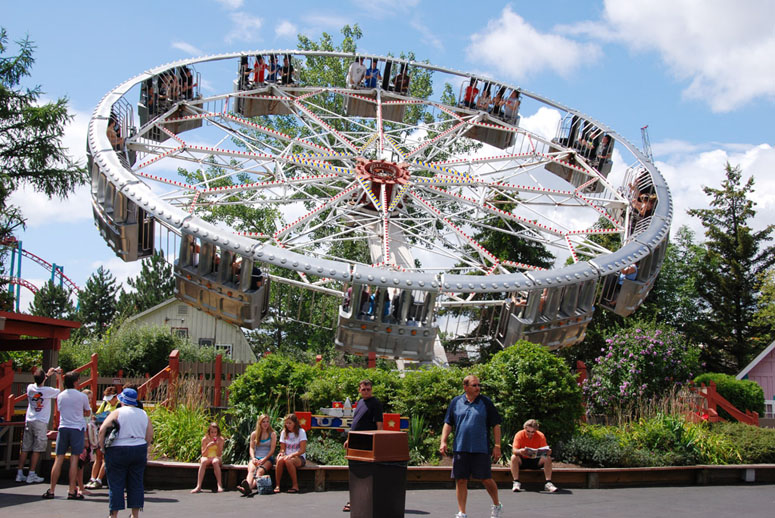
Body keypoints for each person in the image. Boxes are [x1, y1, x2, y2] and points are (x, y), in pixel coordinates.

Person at [440, 375, 502, 518]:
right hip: (461, 448)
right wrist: (443, 441)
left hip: (481, 448)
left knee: (486, 478)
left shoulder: (486, 402)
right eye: (474, 385)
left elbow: (496, 425)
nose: (477, 388)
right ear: (465, 387)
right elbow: (448, 423)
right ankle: (462, 512)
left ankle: (497, 504)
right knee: (461, 480)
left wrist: (497, 445)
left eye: (478, 385)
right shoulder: (456, 402)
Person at [99, 387, 153, 518]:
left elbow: (102, 429)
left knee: (116, 484)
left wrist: (102, 447)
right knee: (136, 483)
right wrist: (144, 446)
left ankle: (114, 514)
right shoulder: (143, 414)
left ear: (122, 400)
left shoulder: (118, 412)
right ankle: (135, 515)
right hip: (138, 448)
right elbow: (150, 435)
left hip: (118, 448)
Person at [42, 371, 91, 499]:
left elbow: (59, 410)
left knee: (59, 459)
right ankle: (71, 490)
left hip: (63, 427)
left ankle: (52, 490)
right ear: (76, 381)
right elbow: (87, 412)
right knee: (74, 459)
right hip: (77, 428)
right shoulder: (82, 396)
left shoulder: (61, 395)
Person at [342, 379, 384, 512]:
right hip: (355, 441)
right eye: (363, 389)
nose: (366, 391)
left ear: (371, 390)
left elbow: (379, 424)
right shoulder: (360, 402)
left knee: (365, 472)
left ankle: (362, 500)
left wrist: (378, 441)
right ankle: (355, 499)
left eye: (368, 389)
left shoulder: (375, 403)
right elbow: (356, 422)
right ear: (359, 390)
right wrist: (349, 439)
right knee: (354, 471)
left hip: (367, 442)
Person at [16, 366, 62, 484]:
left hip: (29, 419)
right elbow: (60, 392)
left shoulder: (30, 388)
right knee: (37, 448)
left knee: (25, 448)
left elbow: (38, 382)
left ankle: (19, 473)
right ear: (43, 379)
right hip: (40, 422)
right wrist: (59, 377)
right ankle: (31, 473)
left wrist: (47, 374)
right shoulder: (47, 390)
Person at [510, 419, 557, 493]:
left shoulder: (540, 435)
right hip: (523, 461)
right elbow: (514, 450)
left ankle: (548, 483)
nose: (530, 434)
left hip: (536, 460)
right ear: (524, 429)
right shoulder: (519, 434)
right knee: (514, 457)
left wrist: (548, 452)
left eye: (533, 432)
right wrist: (520, 451)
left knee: (547, 458)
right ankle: (516, 482)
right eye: (528, 431)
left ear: (536, 430)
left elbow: (545, 450)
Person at [86, 386, 120, 489]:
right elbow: (97, 414)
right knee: (98, 456)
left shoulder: (119, 406)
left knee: (106, 457)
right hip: (101, 431)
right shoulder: (105, 404)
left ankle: (99, 479)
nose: (109, 401)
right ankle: (92, 478)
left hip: (110, 434)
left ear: (115, 397)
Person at [238, 414, 277, 496]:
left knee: (259, 472)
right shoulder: (254, 434)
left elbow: (272, 450)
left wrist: (264, 459)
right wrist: (253, 458)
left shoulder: (272, 434)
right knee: (251, 470)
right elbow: (251, 448)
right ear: (260, 423)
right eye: (263, 422)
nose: (266, 424)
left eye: (267, 422)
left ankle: (249, 488)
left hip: (267, 458)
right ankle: (247, 486)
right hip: (256, 457)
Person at [274, 413, 307, 493]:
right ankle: (277, 485)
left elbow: (302, 450)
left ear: (295, 423)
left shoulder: (301, 432)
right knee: (280, 460)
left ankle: (295, 485)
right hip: (286, 455)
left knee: (288, 461)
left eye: (290, 423)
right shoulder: (284, 432)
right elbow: (282, 449)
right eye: (286, 423)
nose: (288, 425)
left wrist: (292, 455)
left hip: (299, 457)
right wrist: (281, 453)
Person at [76, 389, 99, 498]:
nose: (89, 400)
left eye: (90, 398)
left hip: (82, 436)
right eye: (88, 398)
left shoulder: (83, 408)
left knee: (80, 463)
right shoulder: (85, 409)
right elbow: (85, 423)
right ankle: (80, 487)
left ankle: (77, 485)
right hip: (84, 437)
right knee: (81, 462)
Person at [192, 422, 226, 493]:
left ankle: (219, 485)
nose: (214, 434)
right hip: (207, 456)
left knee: (215, 462)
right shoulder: (205, 439)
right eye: (212, 432)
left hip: (216, 457)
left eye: (215, 432)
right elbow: (203, 454)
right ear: (209, 432)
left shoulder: (221, 439)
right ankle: (198, 486)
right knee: (203, 461)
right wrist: (208, 446)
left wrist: (218, 446)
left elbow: (219, 454)